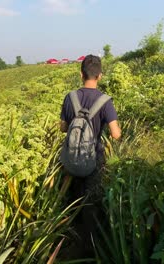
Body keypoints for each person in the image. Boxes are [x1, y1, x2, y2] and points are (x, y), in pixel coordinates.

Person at [60, 54, 121, 258]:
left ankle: (70, 240)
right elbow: (115, 134)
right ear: (100, 76)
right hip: (93, 159)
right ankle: (91, 245)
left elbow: (63, 128)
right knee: (91, 200)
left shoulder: (70, 98)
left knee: (73, 199)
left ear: (81, 74)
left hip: (70, 159)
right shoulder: (105, 101)